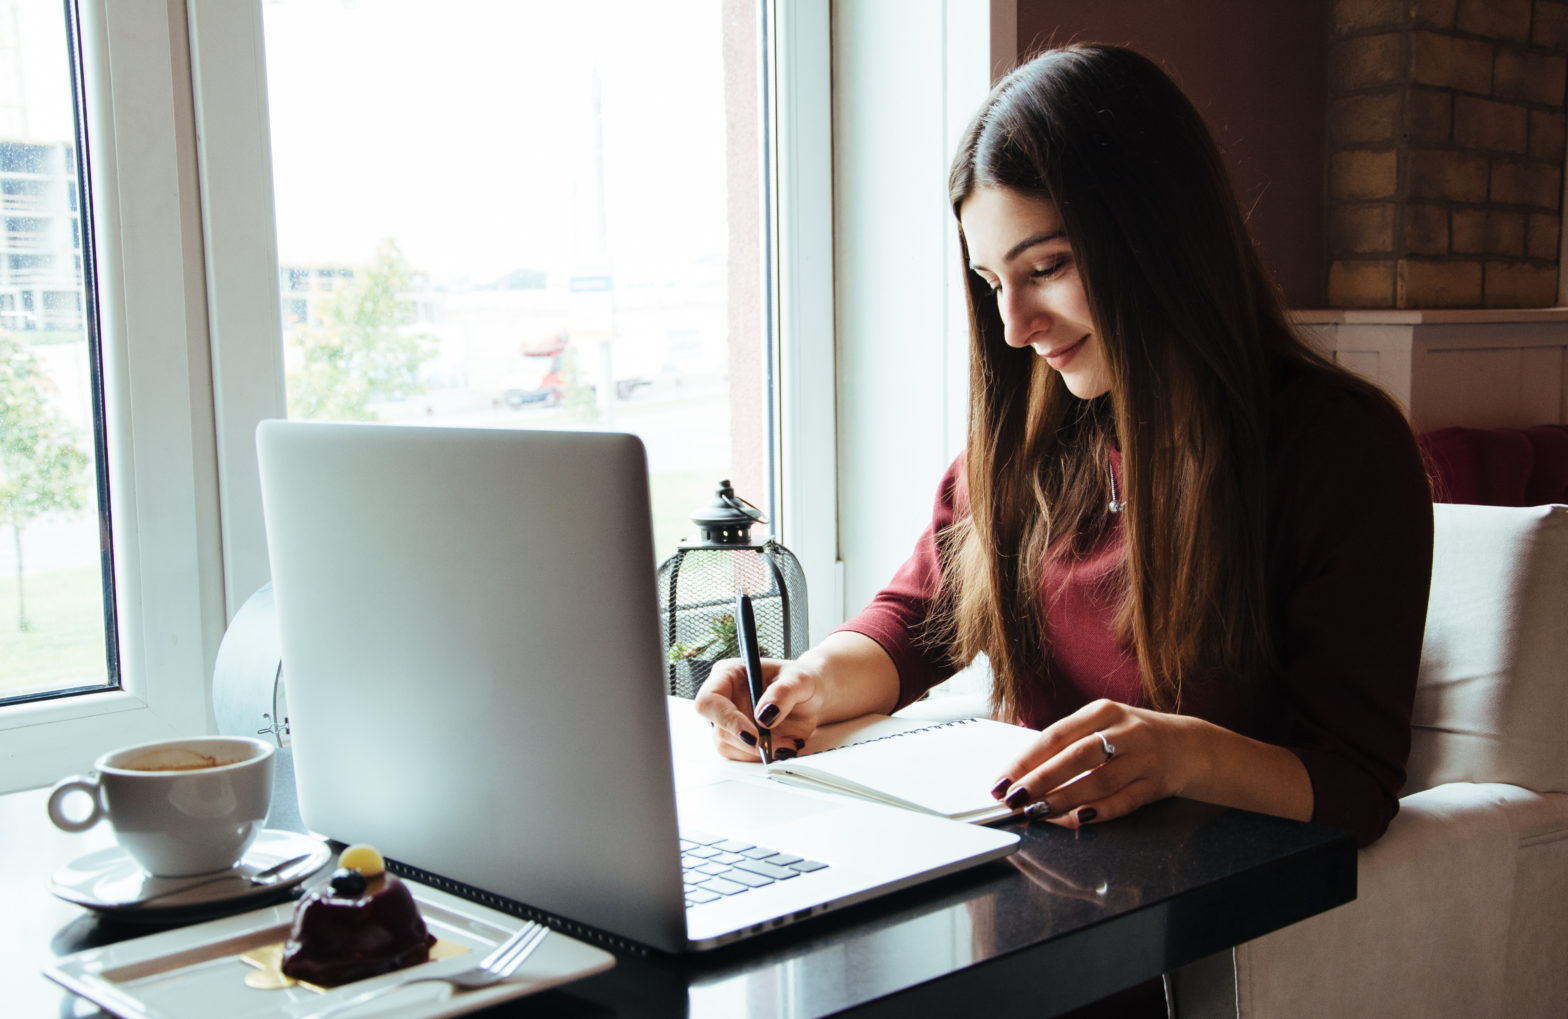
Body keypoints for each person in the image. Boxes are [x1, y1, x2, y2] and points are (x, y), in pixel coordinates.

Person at [696, 43, 1433, 853]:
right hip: (1023, 871)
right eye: (989, 281)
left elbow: (1356, 785)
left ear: (1158, 235)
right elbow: (917, 621)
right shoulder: (1028, 440)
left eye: (1046, 266)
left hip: (1194, 911)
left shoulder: (1339, 449)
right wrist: (804, 682)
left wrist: (1184, 754)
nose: (1014, 327)